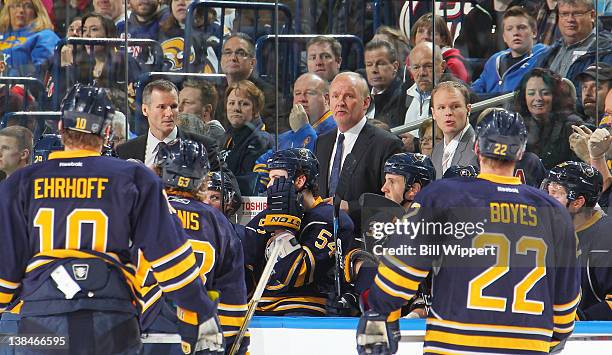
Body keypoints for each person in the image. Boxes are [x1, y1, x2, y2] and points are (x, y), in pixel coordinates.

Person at [0, 84, 223, 354]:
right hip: (111, 320)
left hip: (42, 324)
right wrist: (202, 312)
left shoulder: (21, 182)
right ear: (107, 131)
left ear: (60, 127)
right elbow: (172, 265)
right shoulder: (135, 177)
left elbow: (6, 277)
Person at [357, 108, 580, 355]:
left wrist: (379, 312)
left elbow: (401, 270)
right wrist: (554, 337)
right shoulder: (553, 211)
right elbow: (565, 305)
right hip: (527, 346)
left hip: (455, 344)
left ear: (476, 148)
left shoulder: (444, 196)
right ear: (520, 153)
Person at [139, 138, 248, 354]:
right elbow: (232, 305)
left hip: (142, 331)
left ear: (159, 172)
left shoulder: (141, 212)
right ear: (203, 181)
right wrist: (237, 346)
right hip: (198, 334)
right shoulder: (219, 223)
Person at [245, 148, 355, 315]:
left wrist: (282, 228)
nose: (269, 186)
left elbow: (296, 274)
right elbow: (244, 262)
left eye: (276, 178)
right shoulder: (265, 216)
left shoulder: (329, 218)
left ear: (300, 180)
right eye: (269, 179)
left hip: (302, 310)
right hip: (256, 309)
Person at [314, 72, 403, 226]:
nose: (340, 102)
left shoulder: (387, 144)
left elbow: (393, 203)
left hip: (364, 239)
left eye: (348, 96)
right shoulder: (321, 142)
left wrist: (351, 208)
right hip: (324, 238)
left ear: (366, 102)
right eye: (335, 96)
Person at [542, 161, 612, 320]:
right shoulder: (549, 231)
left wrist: (576, 320)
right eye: (547, 190)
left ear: (578, 202)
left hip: (594, 340)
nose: (546, 200)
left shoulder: (606, 238)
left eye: (555, 193)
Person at [116, 79, 221, 170]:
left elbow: (225, 186)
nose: (169, 113)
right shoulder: (124, 152)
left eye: (174, 106)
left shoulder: (204, 147)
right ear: (145, 110)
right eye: (162, 107)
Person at [537, 0, 612, 96]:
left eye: (577, 14)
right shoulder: (550, 52)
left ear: (592, 15)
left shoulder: (606, 51)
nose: (570, 19)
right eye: (564, 14)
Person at [514, 68, 583, 169]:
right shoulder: (517, 125)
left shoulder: (572, 126)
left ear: (555, 96)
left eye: (545, 93)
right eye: (531, 93)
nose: (538, 98)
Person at [220, 33, 289, 134]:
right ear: (221, 59)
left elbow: (277, 136)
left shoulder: (269, 95)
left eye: (240, 53)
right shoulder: (217, 92)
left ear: (252, 62)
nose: (233, 58)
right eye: (228, 52)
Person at [471, 6, 548, 95]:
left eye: (521, 27)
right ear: (504, 37)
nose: (515, 33)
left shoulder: (543, 55)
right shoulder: (495, 59)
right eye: (509, 29)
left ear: (534, 32)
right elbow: (475, 90)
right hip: (487, 108)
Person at [382, 42, 451, 134]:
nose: (422, 73)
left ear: (442, 66)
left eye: (428, 66)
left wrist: (415, 143)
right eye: (416, 67)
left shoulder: (454, 94)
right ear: (410, 70)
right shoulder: (405, 91)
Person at [223, 80, 274, 194]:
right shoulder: (227, 137)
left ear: (256, 110)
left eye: (244, 104)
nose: (236, 108)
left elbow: (250, 185)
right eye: (231, 103)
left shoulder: (261, 141)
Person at [430, 81, 478, 178]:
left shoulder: (478, 149)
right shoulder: (437, 150)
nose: (448, 113)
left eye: (455, 106)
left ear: (468, 109)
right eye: (441, 107)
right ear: (433, 113)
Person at [0, 0, 60, 77]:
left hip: (25, 86)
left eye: (28, 6)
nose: (21, 10)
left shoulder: (45, 36)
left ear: (36, 12)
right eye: (17, 5)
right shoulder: (2, 34)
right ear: (8, 10)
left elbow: (41, 70)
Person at [158, 0, 218, 73]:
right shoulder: (162, 32)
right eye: (176, 0)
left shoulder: (216, 29)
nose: (180, 2)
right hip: (168, 82)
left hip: (205, 82)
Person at [409, 12, 470, 83]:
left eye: (432, 33)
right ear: (414, 37)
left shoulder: (454, 63)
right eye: (421, 31)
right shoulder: (410, 61)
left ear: (443, 39)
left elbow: (459, 92)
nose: (425, 36)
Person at [364, 39, 402, 127]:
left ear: (395, 67)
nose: (374, 70)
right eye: (369, 64)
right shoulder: (362, 96)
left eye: (380, 64)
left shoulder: (402, 97)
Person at [178, 79, 226, 147]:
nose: (178, 108)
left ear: (206, 110)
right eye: (178, 102)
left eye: (187, 102)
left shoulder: (215, 139)